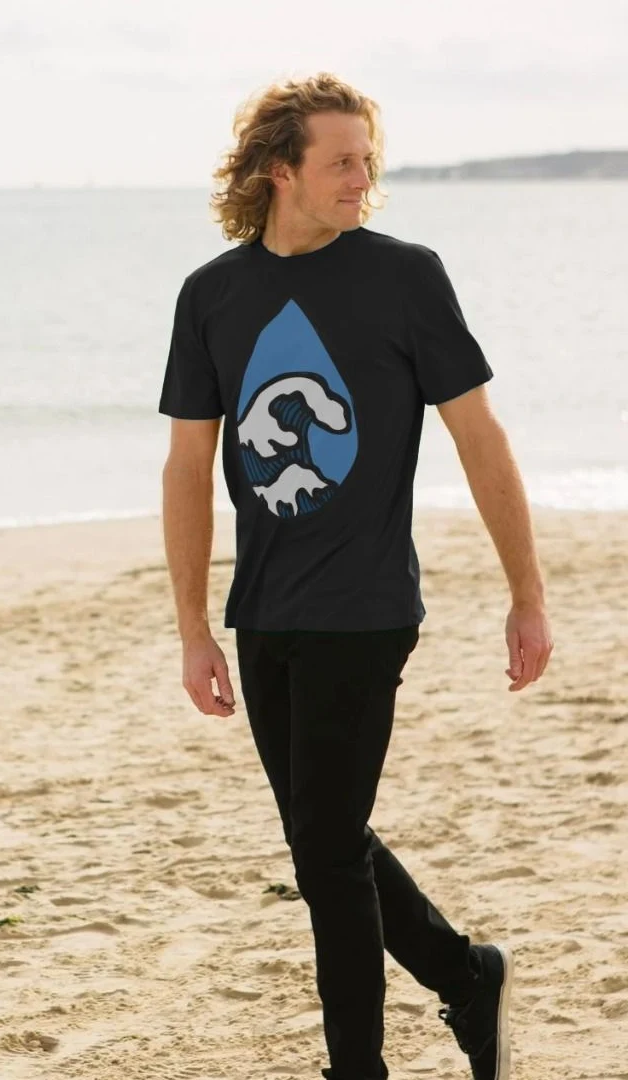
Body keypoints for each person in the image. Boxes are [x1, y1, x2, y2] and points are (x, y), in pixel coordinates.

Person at [157, 71, 554, 1080]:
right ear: (279, 171)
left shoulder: (405, 278)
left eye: (367, 161)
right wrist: (194, 627)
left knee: (327, 856)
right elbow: (188, 466)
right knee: (324, 838)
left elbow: (479, 437)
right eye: (340, 162)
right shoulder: (213, 296)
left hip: (366, 606)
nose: (360, 180)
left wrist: (528, 594)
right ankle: (466, 975)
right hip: (264, 611)